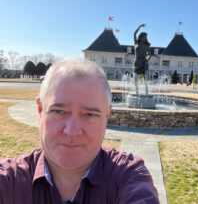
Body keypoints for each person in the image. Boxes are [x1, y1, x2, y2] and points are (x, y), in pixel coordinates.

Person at [0, 59, 159, 204]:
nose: (72, 131)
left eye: (90, 114)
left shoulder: (128, 177)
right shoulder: (9, 180)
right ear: (40, 110)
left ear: (106, 116)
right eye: (59, 111)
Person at [133, 24, 152, 96]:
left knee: (145, 80)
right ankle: (137, 93)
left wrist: (147, 60)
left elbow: (150, 55)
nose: (145, 38)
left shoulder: (147, 45)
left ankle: (146, 94)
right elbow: (134, 33)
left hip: (143, 64)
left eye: (146, 37)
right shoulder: (136, 43)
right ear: (141, 37)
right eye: (144, 37)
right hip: (136, 63)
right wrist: (139, 26)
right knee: (135, 78)